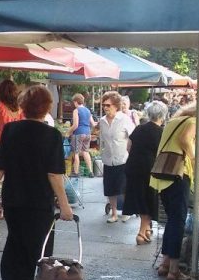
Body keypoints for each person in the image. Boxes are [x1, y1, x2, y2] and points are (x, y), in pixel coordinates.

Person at [0, 85, 75, 280]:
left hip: (13, 197)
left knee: (15, 239)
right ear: (46, 108)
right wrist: (65, 206)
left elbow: (0, 165)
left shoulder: (10, 130)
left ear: (23, 106)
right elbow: (54, 174)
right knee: (38, 246)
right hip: (39, 200)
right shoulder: (52, 135)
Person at [151, 101, 199, 280]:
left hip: (162, 176)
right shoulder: (192, 122)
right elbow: (185, 140)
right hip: (178, 175)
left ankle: (165, 263)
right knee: (178, 222)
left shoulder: (173, 121)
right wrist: (195, 158)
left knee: (172, 220)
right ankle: (174, 270)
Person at [124, 101, 167, 245]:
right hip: (151, 169)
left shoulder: (139, 129)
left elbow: (128, 147)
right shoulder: (162, 132)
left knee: (141, 198)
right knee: (149, 199)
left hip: (133, 167)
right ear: (162, 115)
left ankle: (146, 229)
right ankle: (142, 232)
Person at [97, 91, 135, 223]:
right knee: (110, 188)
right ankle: (113, 213)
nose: (105, 108)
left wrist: (130, 151)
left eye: (108, 105)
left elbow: (133, 136)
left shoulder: (124, 119)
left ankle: (127, 211)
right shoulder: (102, 121)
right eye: (104, 105)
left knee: (124, 187)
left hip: (122, 158)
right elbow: (101, 138)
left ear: (116, 106)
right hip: (108, 159)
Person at [66, 93, 96, 177]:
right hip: (87, 133)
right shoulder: (88, 110)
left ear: (75, 102)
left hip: (78, 133)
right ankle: (91, 172)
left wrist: (68, 132)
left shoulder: (76, 110)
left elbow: (75, 125)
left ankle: (76, 172)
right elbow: (93, 124)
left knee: (76, 153)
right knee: (85, 152)